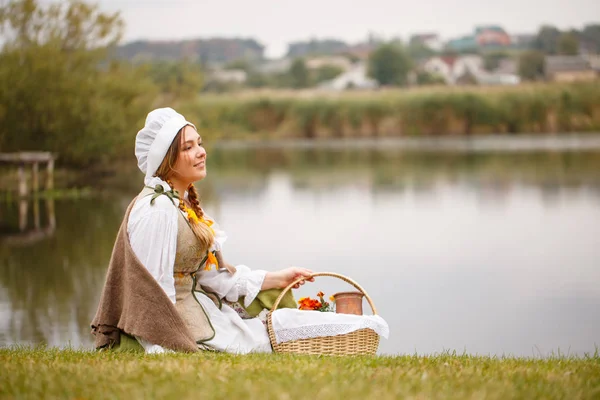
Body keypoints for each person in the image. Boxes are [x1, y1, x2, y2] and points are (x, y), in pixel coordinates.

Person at [91, 108, 313, 354]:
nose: (201, 152)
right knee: (273, 339)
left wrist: (277, 278)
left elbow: (212, 278)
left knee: (285, 329)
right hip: (180, 329)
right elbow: (151, 293)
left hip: (201, 314)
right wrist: (164, 349)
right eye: (188, 148)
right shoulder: (158, 210)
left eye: (199, 143)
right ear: (166, 159)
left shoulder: (180, 204)